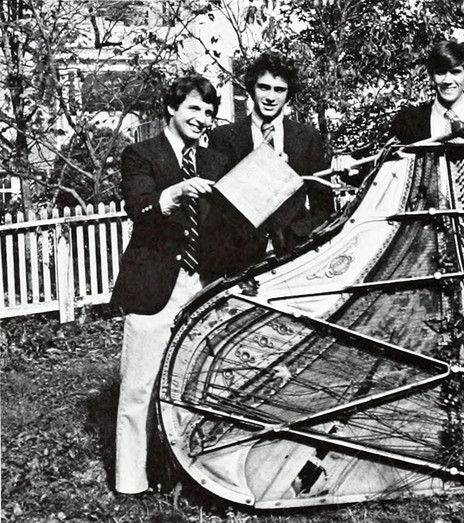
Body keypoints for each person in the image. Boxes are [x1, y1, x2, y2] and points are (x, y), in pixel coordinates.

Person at [110, 75, 230, 494]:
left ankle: (195, 475)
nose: (202, 118)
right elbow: (140, 207)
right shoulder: (140, 154)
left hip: (204, 284)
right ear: (172, 108)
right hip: (154, 284)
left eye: (209, 112)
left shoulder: (216, 162)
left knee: (200, 383)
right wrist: (176, 191)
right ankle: (131, 481)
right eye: (194, 108)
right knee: (139, 387)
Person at [207, 50, 335, 260]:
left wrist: (301, 236)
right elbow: (216, 209)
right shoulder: (222, 137)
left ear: (288, 94)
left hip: (296, 252)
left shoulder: (307, 137)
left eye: (279, 90)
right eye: (264, 87)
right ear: (251, 89)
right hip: (240, 257)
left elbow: (323, 207)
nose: (270, 97)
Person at [389, 40, 464, 216]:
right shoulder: (407, 121)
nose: (448, 81)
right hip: (420, 225)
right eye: (441, 72)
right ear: (431, 76)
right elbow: (389, 176)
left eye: (455, 72)